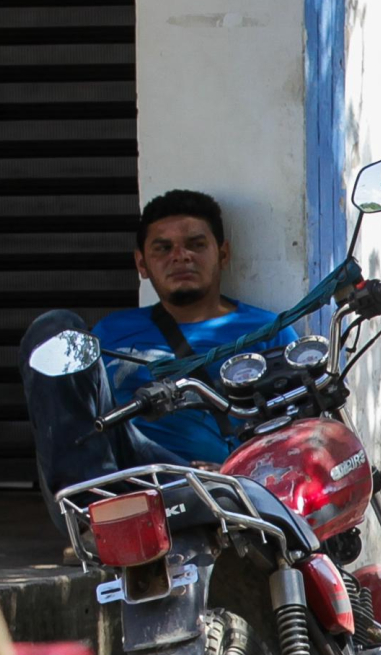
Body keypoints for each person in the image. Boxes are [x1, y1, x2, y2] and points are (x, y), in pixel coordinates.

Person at [22, 189, 283, 500]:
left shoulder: (268, 331)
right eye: (163, 248)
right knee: (54, 328)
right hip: (123, 476)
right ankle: (88, 503)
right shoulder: (112, 330)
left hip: (209, 483)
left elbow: (292, 433)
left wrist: (241, 475)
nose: (181, 256)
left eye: (196, 245)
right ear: (142, 264)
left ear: (223, 255)